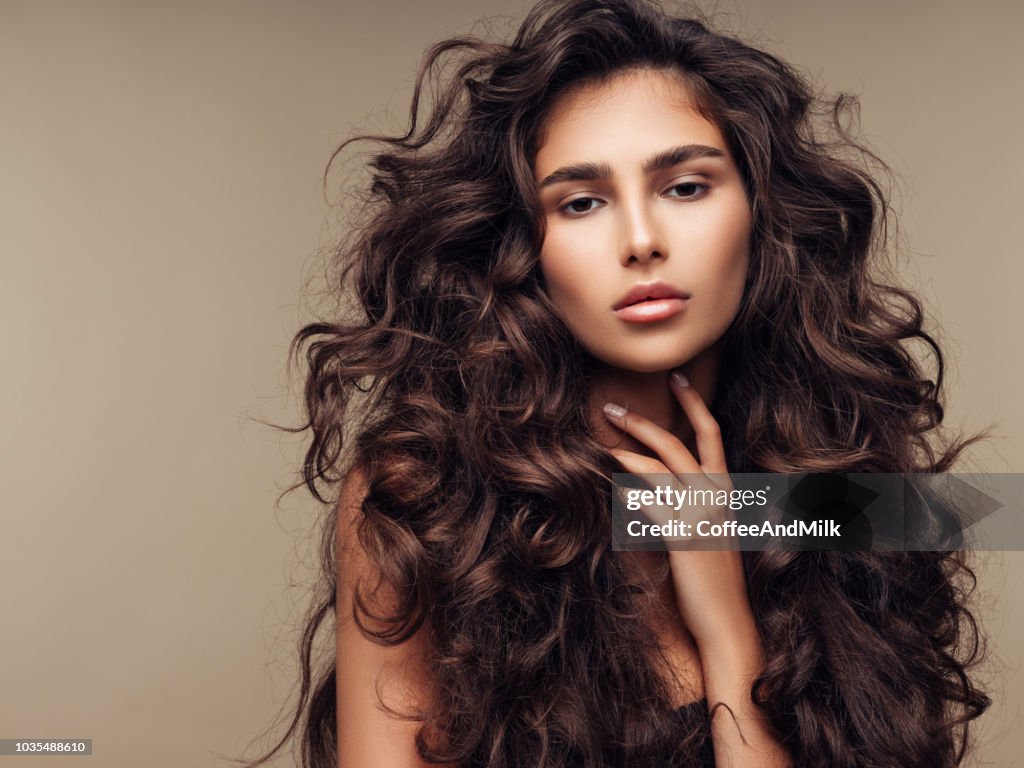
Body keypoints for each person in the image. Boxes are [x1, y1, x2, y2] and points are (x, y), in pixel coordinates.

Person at [240, 1, 991, 766]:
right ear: (522, 247)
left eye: (686, 187)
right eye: (582, 202)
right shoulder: (428, 499)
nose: (640, 240)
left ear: (762, 212)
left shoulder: (845, 495)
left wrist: (726, 629)